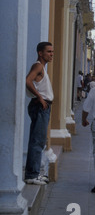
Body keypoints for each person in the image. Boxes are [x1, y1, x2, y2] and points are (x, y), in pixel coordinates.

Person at [24, 42, 54, 185]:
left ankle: (34, 172)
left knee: (39, 140)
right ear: (40, 53)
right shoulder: (38, 66)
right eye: (48, 52)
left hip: (43, 106)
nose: (51, 54)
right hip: (40, 106)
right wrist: (40, 97)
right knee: (37, 141)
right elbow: (28, 81)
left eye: (52, 52)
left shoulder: (42, 68)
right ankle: (31, 174)